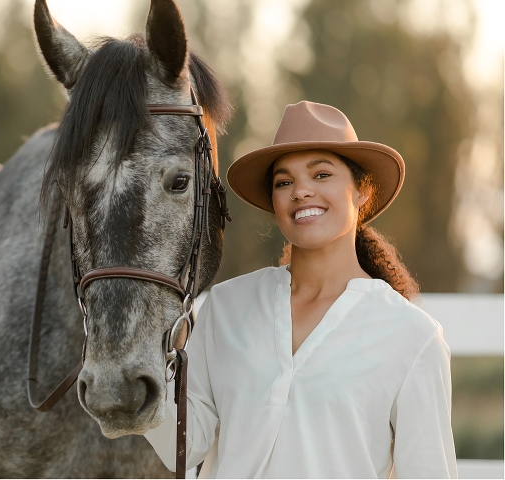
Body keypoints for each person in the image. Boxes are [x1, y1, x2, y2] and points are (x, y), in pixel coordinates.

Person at [144, 101, 456, 478]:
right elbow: (185, 445)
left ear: (362, 192)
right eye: (284, 182)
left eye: (321, 175)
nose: (301, 191)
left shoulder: (413, 337)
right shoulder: (226, 307)